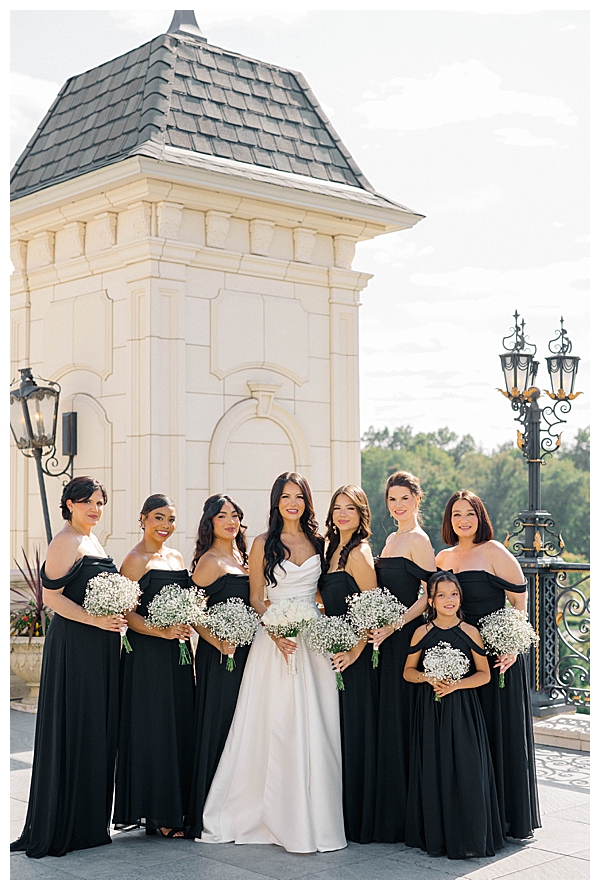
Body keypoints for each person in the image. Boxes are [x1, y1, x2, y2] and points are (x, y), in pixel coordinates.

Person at [200, 472, 346, 853]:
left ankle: (316, 816)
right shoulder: (263, 543)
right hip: (274, 639)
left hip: (313, 642)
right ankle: (260, 812)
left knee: (317, 725)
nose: (292, 503)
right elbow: (256, 598)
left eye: (298, 497)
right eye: (285, 497)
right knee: (271, 721)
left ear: (307, 502)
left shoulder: (319, 542)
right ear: (276, 502)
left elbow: (323, 593)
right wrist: (277, 631)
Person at [11, 477, 125, 859]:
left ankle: (87, 824)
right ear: (70, 504)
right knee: (75, 724)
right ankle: (65, 824)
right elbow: (51, 598)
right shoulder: (65, 541)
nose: (95, 509)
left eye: (100, 502)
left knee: (95, 728)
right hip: (76, 646)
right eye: (88, 502)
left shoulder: (93, 540)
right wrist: (96, 621)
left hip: (100, 645)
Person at [436, 490, 541, 841]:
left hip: (498, 658)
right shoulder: (443, 557)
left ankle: (507, 819)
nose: (463, 520)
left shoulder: (494, 551)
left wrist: (512, 646)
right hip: (460, 657)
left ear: (481, 517)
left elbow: (521, 605)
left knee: (499, 733)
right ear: (449, 521)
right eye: (456, 515)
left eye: (470, 514)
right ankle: (474, 816)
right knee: (468, 738)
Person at [403, 571, 504, 860]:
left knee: (466, 768)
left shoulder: (471, 632)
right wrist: (428, 677)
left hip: (463, 710)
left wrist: (457, 684)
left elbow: (484, 675)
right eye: (442, 595)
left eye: (454, 594)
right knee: (434, 768)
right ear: (431, 601)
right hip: (431, 709)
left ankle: (469, 835)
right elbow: (407, 672)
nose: (449, 600)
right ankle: (437, 836)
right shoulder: (421, 632)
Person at [113, 494, 195, 839]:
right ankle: (159, 813)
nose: (165, 525)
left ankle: (178, 806)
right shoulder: (134, 560)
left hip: (178, 654)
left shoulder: (176, 557)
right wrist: (162, 631)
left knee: (179, 723)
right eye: (159, 517)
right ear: (143, 519)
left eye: (171, 519)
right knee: (156, 727)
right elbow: (127, 614)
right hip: (148, 656)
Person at [372, 471, 436, 843]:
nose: (398, 505)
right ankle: (390, 807)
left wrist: (394, 624)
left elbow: (429, 595)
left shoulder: (419, 540)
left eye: (404, 498)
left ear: (416, 499)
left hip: (405, 636)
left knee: (403, 715)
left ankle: (409, 814)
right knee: (389, 716)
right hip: (384, 636)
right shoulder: (390, 538)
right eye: (392, 499)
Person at [186, 494, 251, 840]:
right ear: (210, 522)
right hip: (221, 656)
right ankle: (208, 808)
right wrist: (218, 642)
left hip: (248, 653)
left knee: (244, 725)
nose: (230, 521)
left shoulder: (244, 557)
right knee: (221, 724)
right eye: (222, 516)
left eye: (234, 515)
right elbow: (193, 612)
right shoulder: (209, 561)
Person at [320, 485, 379, 844]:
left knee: (355, 733)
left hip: (355, 656)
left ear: (361, 515)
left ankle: (358, 818)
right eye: (338, 508)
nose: (343, 514)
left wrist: (355, 651)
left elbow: (372, 607)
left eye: (350, 509)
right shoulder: (330, 549)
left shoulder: (359, 552)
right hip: (333, 650)